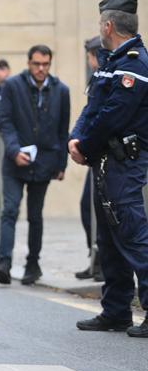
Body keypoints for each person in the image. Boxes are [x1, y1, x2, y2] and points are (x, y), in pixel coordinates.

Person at [69, 0, 148, 338]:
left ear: (109, 25)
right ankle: (115, 311)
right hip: (104, 162)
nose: (99, 29)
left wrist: (85, 145)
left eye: (101, 24)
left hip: (123, 163)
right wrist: (76, 140)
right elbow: (92, 109)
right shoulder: (110, 61)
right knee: (110, 239)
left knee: (133, 235)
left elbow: (114, 117)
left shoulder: (134, 65)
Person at [0, 45, 70, 286]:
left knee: (36, 215)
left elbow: (62, 130)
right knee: (10, 210)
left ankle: (32, 264)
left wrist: (61, 164)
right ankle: (4, 263)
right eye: (36, 64)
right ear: (28, 63)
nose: (41, 69)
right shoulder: (13, 86)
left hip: (44, 162)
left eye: (45, 64)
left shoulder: (61, 90)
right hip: (14, 162)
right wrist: (14, 151)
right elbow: (4, 122)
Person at [76, 36, 104, 281]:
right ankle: (95, 258)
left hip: (106, 156)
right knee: (88, 207)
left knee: (98, 209)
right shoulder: (97, 78)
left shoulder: (106, 77)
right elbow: (87, 114)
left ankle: (102, 262)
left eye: (88, 55)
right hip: (93, 153)